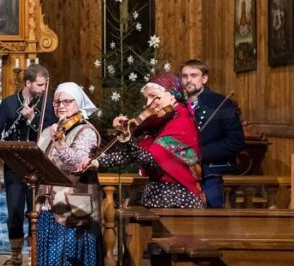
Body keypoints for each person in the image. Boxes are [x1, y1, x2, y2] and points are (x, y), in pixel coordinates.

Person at [36, 82, 106, 266]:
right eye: (57, 102)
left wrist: (60, 143)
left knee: (74, 262)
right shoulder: (52, 129)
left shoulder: (85, 131)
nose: (61, 106)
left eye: (67, 102)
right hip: (49, 203)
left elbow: (78, 163)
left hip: (75, 205)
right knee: (55, 263)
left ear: (78, 104)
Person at [85, 72, 205, 209]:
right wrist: (98, 161)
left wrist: (127, 140)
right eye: (147, 98)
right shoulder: (162, 121)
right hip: (159, 196)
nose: (148, 103)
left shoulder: (181, 122)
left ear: (171, 95)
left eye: (153, 96)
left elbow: (150, 159)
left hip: (176, 199)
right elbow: (134, 154)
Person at [0, 63, 56, 266]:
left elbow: (51, 133)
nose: (44, 89)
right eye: (40, 85)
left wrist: (32, 119)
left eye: (45, 85)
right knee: (15, 210)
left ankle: (34, 257)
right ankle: (15, 256)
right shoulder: (9, 103)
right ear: (28, 83)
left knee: (36, 211)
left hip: (38, 165)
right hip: (15, 166)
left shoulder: (48, 104)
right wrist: (0, 148)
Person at [179, 59, 245, 208]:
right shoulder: (176, 104)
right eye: (184, 76)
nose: (188, 80)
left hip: (212, 170)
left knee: (211, 211)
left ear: (204, 78)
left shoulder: (221, 103)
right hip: (180, 169)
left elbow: (235, 141)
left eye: (194, 75)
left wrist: (199, 153)